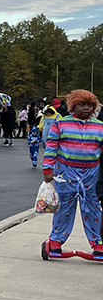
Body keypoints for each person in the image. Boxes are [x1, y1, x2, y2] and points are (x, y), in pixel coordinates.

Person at [42, 89, 103, 257]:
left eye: (90, 106)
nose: (86, 109)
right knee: (64, 207)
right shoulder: (61, 124)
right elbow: (51, 147)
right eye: (82, 105)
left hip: (91, 173)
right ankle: (56, 240)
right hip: (66, 172)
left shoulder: (99, 126)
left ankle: (97, 242)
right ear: (73, 106)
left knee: (92, 207)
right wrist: (48, 168)